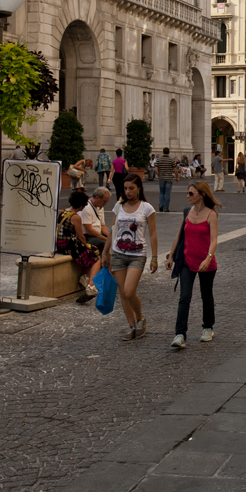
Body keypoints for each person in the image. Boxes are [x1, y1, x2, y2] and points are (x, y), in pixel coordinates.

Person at [102, 173, 158, 340]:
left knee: (129, 291)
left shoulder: (147, 208)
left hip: (137, 255)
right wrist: (105, 252)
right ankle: (132, 326)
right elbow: (113, 230)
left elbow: (153, 234)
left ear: (139, 188)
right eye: (125, 188)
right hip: (118, 253)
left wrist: (155, 257)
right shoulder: (118, 206)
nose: (128, 192)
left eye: (131, 188)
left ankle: (140, 318)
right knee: (122, 292)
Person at [166, 180, 220, 348]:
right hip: (187, 261)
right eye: (188, 193)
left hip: (205, 262)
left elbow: (214, 240)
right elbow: (179, 235)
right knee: (184, 297)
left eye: (191, 193)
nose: (187, 196)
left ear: (201, 195)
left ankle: (208, 327)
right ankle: (180, 334)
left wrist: (208, 258)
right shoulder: (187, 212)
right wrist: (171, 255)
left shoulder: (211, 215)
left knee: (206, 295)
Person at [155, 147, 179, 212]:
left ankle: (161, 205)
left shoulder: (159, 160)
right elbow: (175, 169)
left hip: (161, 178)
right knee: (167, 193)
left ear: (162, 152)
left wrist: (159, 175)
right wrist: (177, 177)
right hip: (169, 178)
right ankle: (166, 208)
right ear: (169, 152)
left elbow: (156, 169)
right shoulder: (171, 160)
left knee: (161, 192)